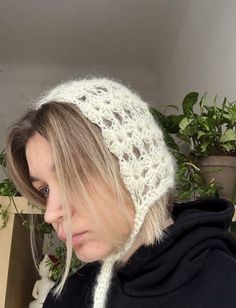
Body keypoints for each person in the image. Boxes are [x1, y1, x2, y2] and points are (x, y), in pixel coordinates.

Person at [6, 78, 236, 308]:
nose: (50, 214)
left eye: (73, 177)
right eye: (45, 189)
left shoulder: (226, 286)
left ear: (137, 169)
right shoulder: (65, 298)